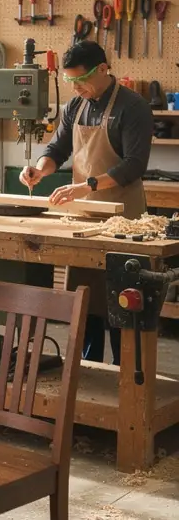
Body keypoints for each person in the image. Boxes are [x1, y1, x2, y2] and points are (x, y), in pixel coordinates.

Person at [20, 40, 152, 365]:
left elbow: (135, 164)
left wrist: (87, 185)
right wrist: (40, 169)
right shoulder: (74, 107)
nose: (78, 89)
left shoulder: (133, 107)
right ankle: (87, 372)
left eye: (82, 81)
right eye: (72, 83)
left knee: (123, 308)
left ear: (104, 70)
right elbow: (58, 150)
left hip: (125, 221)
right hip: (85, 221)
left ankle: (126, 378)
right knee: (87, 304)